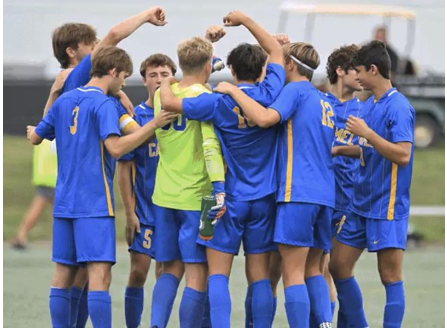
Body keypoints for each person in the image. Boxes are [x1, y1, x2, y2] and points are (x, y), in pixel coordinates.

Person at [27, 45, 177, 328]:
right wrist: (154, 124)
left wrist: (44, 111)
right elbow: (117, 148)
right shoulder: (104, 105)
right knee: (99, 276)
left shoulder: (65, 100)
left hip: (63, 204)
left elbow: (36, 137)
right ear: (113, 72)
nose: (123, 85)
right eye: (123, 78)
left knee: (62, 274)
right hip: (94, 204)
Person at [160, 10, 285, 328]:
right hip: (265, 197)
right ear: (262, 70)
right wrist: (246, 21)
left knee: (217, 274)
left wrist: (168, 80)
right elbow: (276, 51)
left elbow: (171, 104)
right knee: (259, 275)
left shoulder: (217, 101)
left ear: (230, 69)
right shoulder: (272, 92)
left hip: (224, 197)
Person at [213, 41, 335, 328]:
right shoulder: (323, 99)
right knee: (314, 270)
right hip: (325, 195)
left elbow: (265, 118)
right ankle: (326, 323)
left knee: (291, 273)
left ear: (290, 65)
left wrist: (231, 89)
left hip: (298, 192)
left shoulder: (293, 91)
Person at [329, 40, 414, 328]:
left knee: (389, 277)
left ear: (373, 70)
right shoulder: (368, 105)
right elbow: (369, 148)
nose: (357, 77)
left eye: (360, 71)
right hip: (360, 203)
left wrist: (367, 134)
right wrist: (340, 149)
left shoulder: (399, 107)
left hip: (386, 205)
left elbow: (402, 154)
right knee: (337, 266)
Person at [151, 36, 226, 328]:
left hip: (164, 194)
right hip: (197, 197)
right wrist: (219, 187)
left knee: (170, 268)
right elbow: (210, 147)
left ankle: (157, 324)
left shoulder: (163, 93)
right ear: (209, 65)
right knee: (197, 271)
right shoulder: (204, 97)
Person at [117, 53, 178, 328]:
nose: (159, 79)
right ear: (143, 80)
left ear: (173, 78)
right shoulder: (134, 118)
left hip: (172, 208)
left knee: (164, 273)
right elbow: (124, 168)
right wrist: (130, 213)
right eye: (153, 75)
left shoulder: (181, 115)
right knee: (138, 272)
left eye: (164, 74)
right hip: (144, 209)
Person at [324, 44, 364, 327]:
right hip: (321, 196)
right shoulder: (320, 104)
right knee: (319, 268)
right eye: (355, 69)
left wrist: (340, 150)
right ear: (340, 71)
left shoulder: (363, 109)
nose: (361, 75)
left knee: (337, 268)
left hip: (350, 198)